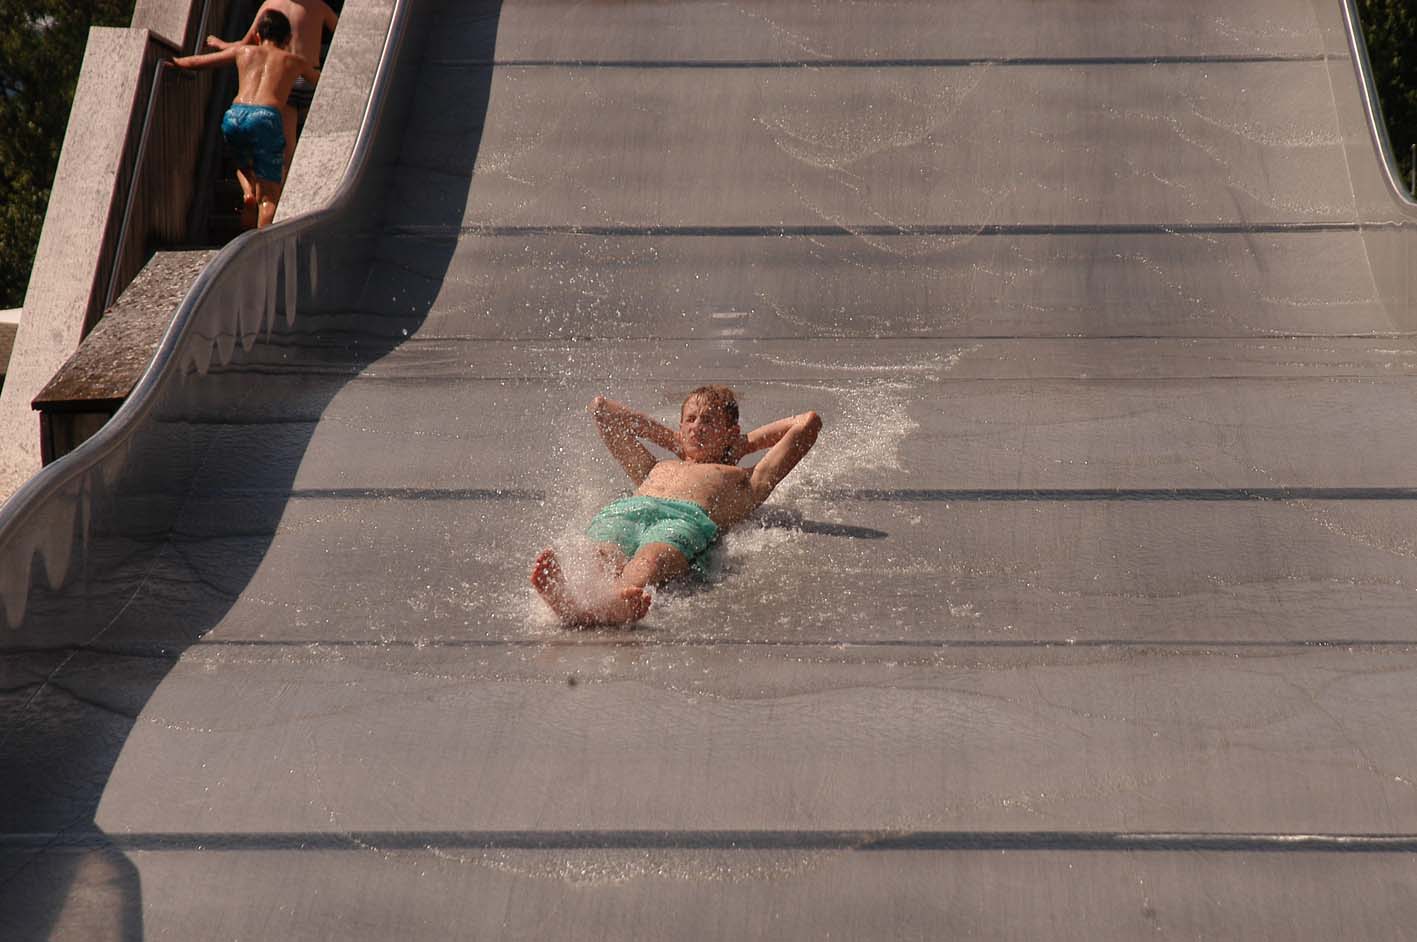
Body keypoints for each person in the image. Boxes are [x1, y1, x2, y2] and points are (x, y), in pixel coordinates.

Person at [531, 386, 823, 627]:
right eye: (690, 420)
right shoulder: (654, 467)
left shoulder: (745, 480)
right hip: (628, 512)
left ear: (730, 431)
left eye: (708, 421)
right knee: (601, 555)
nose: (697, 427)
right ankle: (575, 602)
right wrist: (674, 441)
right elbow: (602, 410)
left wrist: (743, 445)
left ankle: (616, 602)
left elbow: (807, 423)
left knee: (649, 560)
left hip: (683, 521)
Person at [174, 11, 321, 229]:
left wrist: (174, 62)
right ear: (288, 38)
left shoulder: (243, 51)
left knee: (242, 167)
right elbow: (324, 82)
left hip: (234, 117)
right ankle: (262, 243)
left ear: (258, 36)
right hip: (265, 118)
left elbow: (196, 62)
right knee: (269, 198)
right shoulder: (293, 61)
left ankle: (248, 192)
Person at [206, 0, 339, 188]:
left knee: (287, 146)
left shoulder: (270, 5)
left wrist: (221, 44)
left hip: (286, 77)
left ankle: (282, 189)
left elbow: (246, 43)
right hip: (310, 76)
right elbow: (344, 34)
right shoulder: (319, 5)